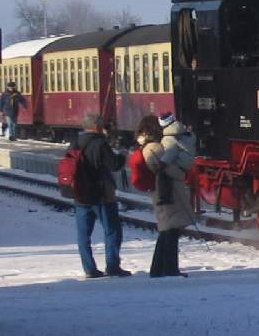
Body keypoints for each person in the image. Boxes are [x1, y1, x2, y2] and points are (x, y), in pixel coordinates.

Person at [74, 112, 129, 278]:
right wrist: (122, 155)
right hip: (102, 194)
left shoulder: (75, 143)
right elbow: (114, 165)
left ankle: (89, 269)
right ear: (97, 127)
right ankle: (112, 266)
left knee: (83, 235)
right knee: (112, 230)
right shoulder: (100, 144)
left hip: (80, 195)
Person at [139, 114, 195, 277]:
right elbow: (164, 168)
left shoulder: (156, 145)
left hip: (166, 190)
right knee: (170, 230)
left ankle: (159, 269)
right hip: (168, 191)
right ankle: (168, 268)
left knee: (168, 229)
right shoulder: (155, 148)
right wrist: (180, 173)